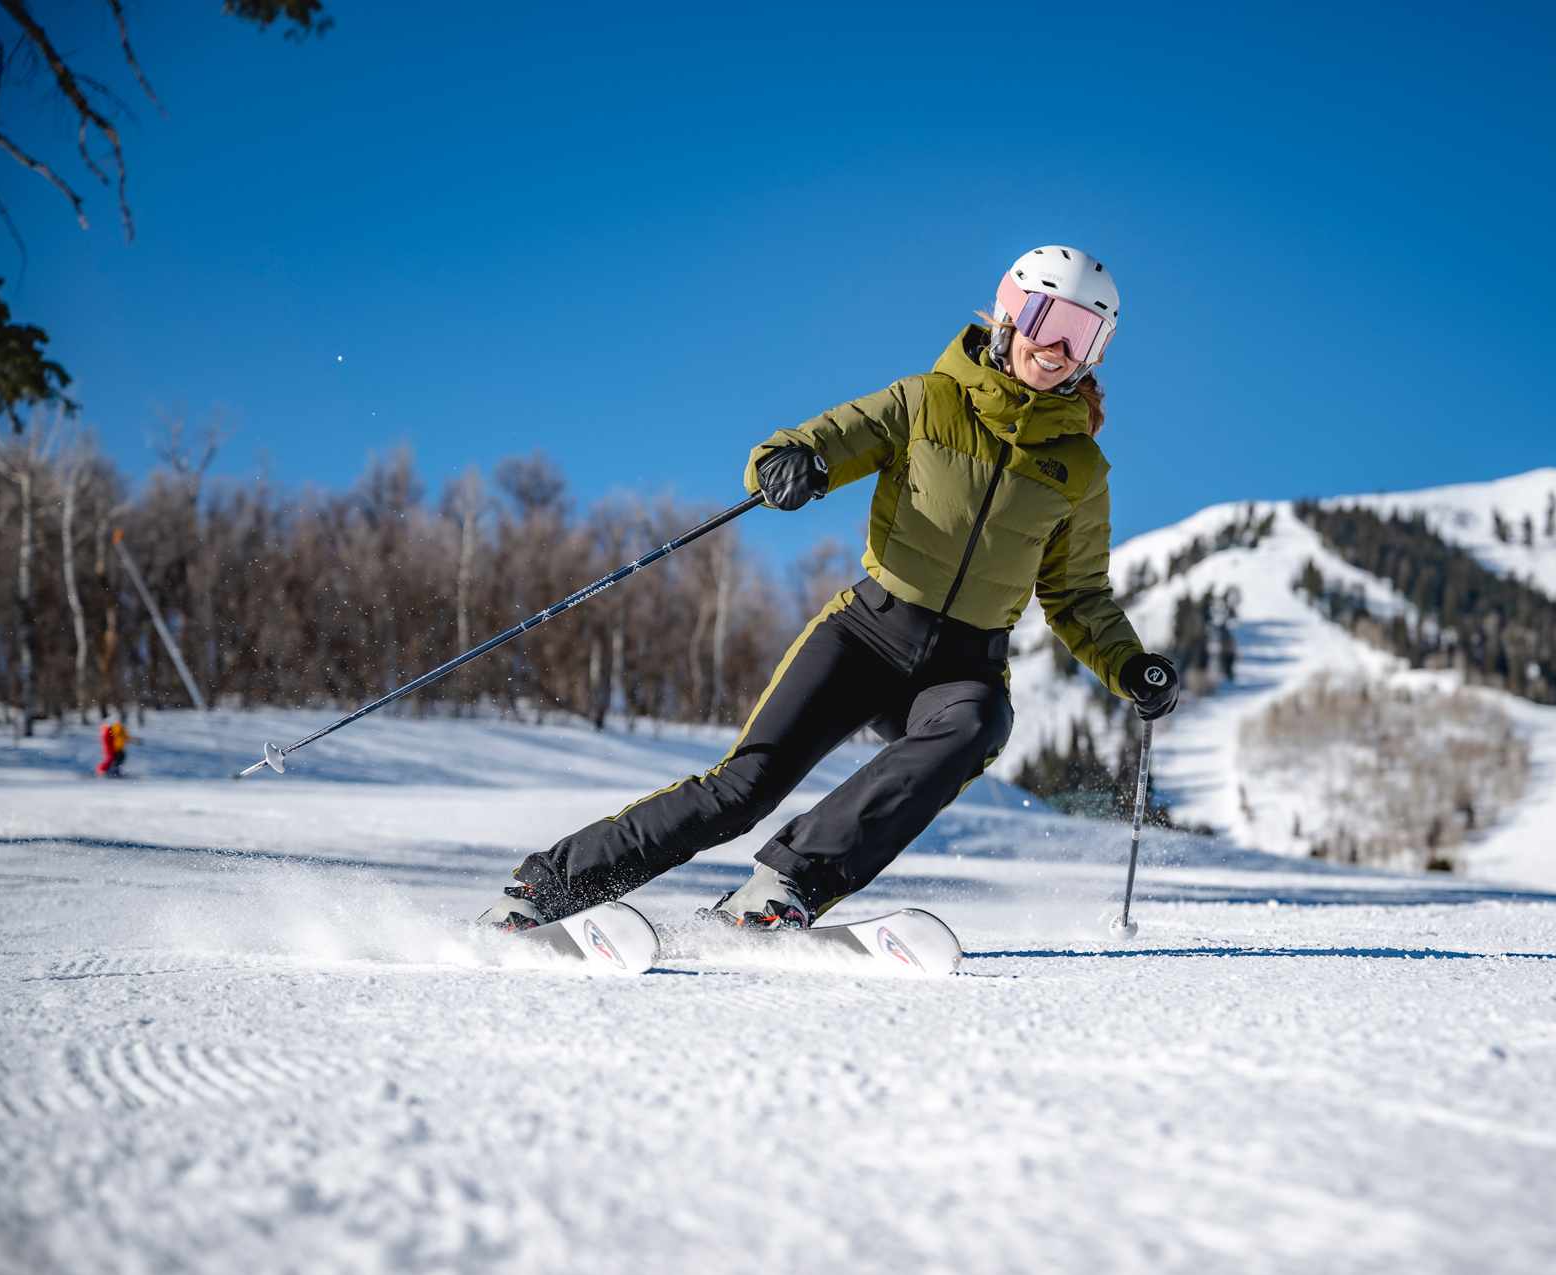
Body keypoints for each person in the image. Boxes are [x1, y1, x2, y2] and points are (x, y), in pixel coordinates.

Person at [481, 246, 1181, 933]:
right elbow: (820, 440)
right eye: (1046, 317)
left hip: (964, 665)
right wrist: (790, 464)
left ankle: (786, 885)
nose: (1057, 345)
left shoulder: (1081, 469)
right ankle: (547, 887)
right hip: (868, 633)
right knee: (742, 788)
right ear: (1007, 312)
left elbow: (1077, 595)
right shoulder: (924, 401)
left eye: (1082, 332)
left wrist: (1129, 665)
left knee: (978, 723)